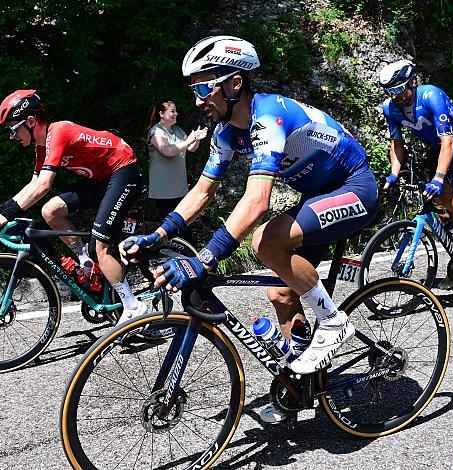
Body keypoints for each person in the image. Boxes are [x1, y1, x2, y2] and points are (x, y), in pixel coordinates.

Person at [121, 36, 379, 422]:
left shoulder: (269, 115)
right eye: (193, 90)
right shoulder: (227, 134)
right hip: (317, 195)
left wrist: (205, 259)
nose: (197, 100)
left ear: (234, 84)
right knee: (279, 294)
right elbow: (203, 191)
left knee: (266, 240)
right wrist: (158, 234)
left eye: (203, 88)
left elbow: (257, 202)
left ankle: (333, 322)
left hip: (354, 187)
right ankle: (297, 386)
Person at [0, 90, 146, 318]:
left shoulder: (59, 132)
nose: (11, 136)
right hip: (103, 179)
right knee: (51, 210)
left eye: (12, 129)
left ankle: (133, 308)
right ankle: (85, 261)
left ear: (30, 121)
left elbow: (45, 184)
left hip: (123, 172)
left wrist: (6, 216)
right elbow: (34, 183)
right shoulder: (42, 145)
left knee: (101, 245)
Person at [379, 60, 453, 268]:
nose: (394, 96)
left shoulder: (431, 95)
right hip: (436, 147)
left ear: (412, 82)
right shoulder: (390, 108)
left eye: (398, 89)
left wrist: (439, 178)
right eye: (389, 91)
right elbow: (397, 144)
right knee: (434, 202)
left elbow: (448, 141)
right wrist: (394, 174)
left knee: (442, 190)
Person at [145, 100, 207, 216]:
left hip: (180, 188)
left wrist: (197, 139)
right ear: (161, 114)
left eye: (176, 111)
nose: (176, 114)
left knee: (181, 221)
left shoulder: (178, 130)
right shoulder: (156, 131)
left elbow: (191, 148)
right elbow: (167, 151)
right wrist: (189, 140)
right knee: (169, 223)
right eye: (172, 111)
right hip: (164, 190)